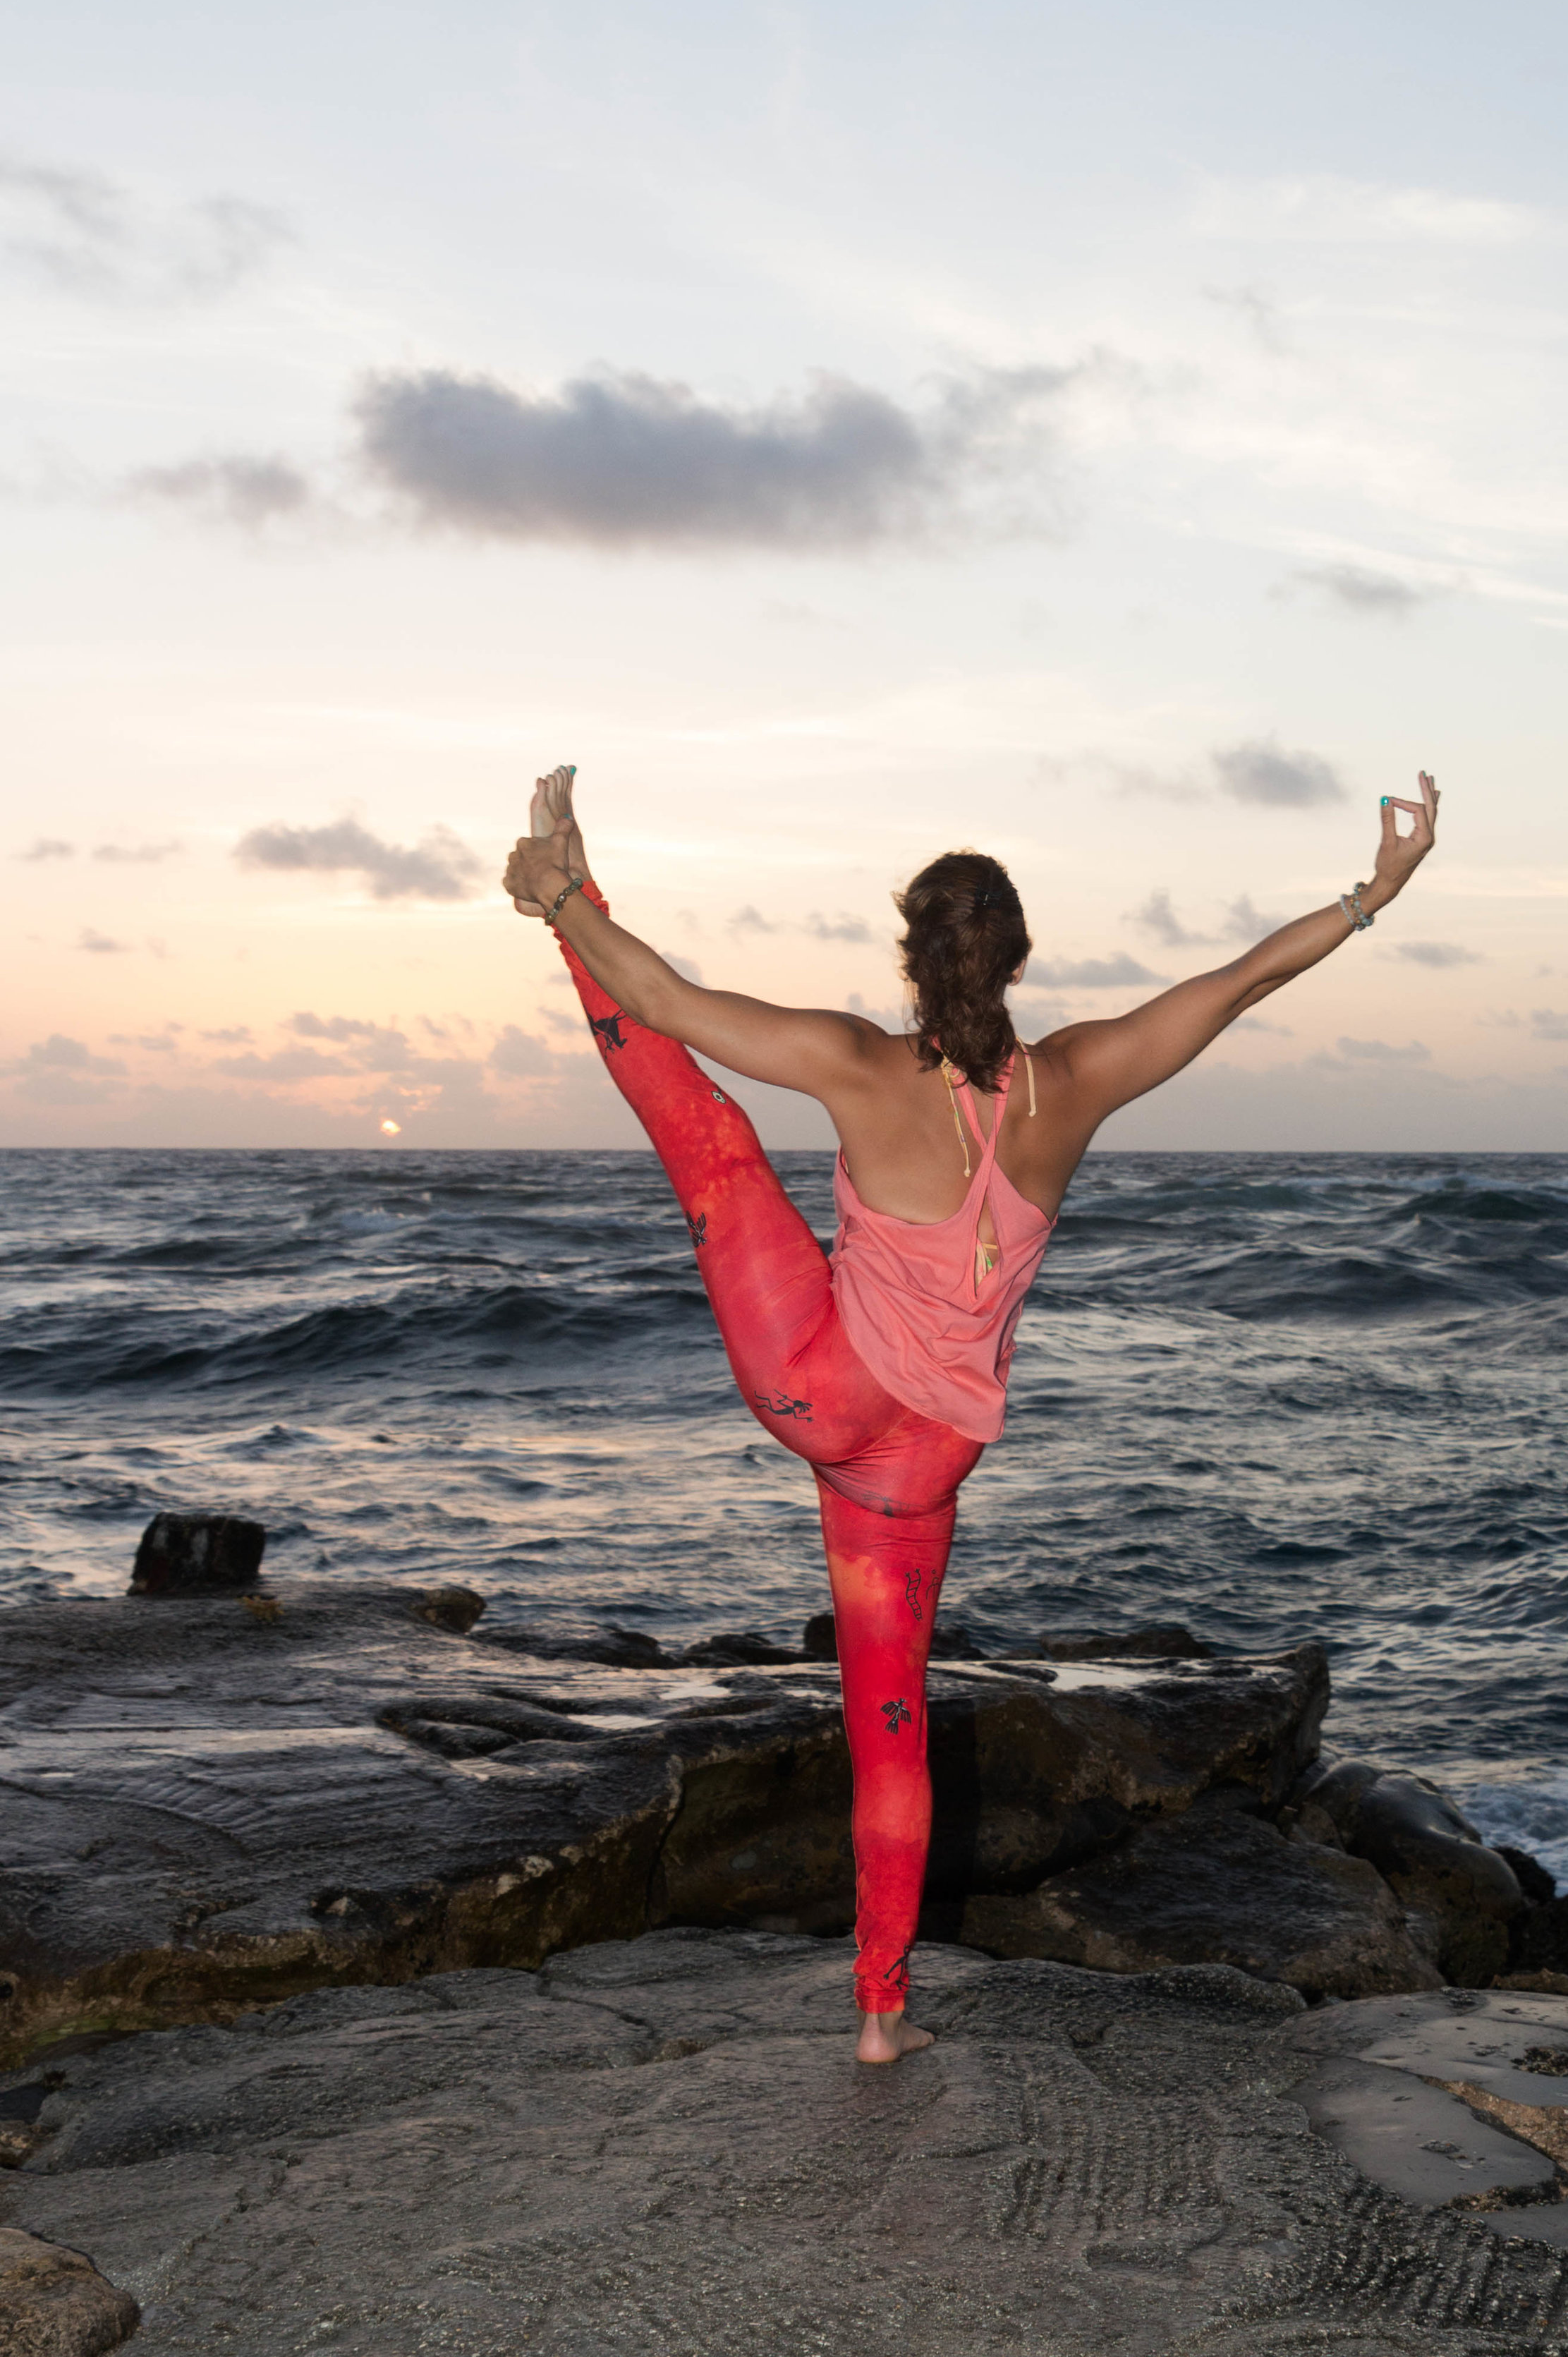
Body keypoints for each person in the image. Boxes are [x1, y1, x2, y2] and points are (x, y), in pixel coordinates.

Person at [504, 764, 1440, 2061]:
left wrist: (567, 898)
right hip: (924, 1466)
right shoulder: (1079, 1079)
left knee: (709, 1139)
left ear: (909, 951)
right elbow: (1238, 983)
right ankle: (881, 2013)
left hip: (818, 1388)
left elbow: (662, 1001)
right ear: (1017, 961)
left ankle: (563, 896)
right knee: (891, 1724)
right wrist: (1373, 892)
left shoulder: (861, 1064)